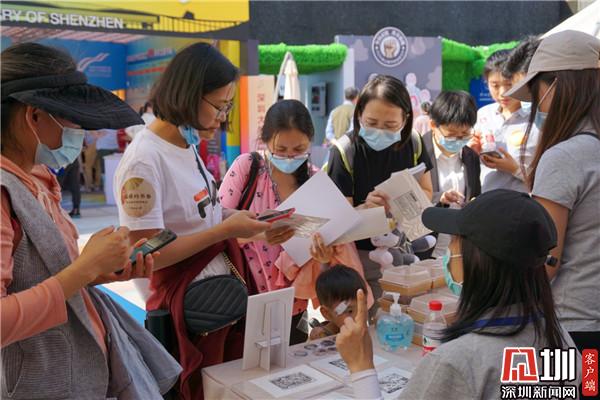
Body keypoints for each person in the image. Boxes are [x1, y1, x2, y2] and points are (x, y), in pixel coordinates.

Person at [1, 42, 180, 399]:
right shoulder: (5, 193)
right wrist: (84, 270)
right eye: (72, 120)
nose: (81, 137)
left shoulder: (36, 178)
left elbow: (39, 277)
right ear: (34, 117)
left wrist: (99, 270)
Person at [114, 42, 272, 399]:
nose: (223, 117)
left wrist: (249, 222)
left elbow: (203, 214)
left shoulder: (186, 147)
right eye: (219, 105)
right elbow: (149, 255)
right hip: (185, 315)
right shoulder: (143, 161)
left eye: (227, 106)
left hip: (216, 306)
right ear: (189, 94)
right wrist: (225, 230)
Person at [336, 190, 581, 399]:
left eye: (453, 241)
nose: (447, 254)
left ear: (474, 260)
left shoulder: (457, 361)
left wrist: (361, 366)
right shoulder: (560, 338)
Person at [219, 100, 369, 344]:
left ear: (311, 141)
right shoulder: (247, 168)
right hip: (244, 296)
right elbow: (217, 226)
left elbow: (325, 253)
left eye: (299, 149)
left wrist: (323, 257)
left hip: (293, 304)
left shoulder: (315, 180)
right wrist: (261, 234)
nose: (289, 156)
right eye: (280, 149)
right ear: (265, 140)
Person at [505, 30, 600, 352]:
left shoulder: (565, 156)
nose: (537, 106)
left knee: (572, 381)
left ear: (557, 86)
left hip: (573, 328)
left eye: (537, 94)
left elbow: (545, 260)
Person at [327, 75, 434, 315]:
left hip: (403, 251)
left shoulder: (413, 142)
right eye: (372, 122)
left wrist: (403, 201)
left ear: (405, 119)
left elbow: (427, 190)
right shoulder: (344, 151)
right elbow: (339, 220)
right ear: (359, 114)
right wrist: (367, 209)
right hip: (358, 260)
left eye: (390, 125)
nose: (380, 131)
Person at [470, 49, 540, 193]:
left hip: (522, 202)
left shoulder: (537, 118)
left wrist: (514, 169)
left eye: (509, 84)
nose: (502, 93)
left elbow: (548, 177)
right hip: (486, 200)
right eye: (495, 85)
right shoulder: (483, 114)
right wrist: (471, 151)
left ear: (521, 81)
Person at [422, 91, 480, 257]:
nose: (458, 140)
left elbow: (475, 195)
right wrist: (439, 197)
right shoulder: (418, 153)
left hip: (459, 249)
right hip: (425, 246)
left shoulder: (471, 157)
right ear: (433, 125)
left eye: (465, 135)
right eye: (451, 135)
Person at [310, 264, 368, 340]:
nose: (359, 316)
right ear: (327, 314)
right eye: (350, 311)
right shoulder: (322, 337)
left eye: (363, 306)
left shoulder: (362, 329)